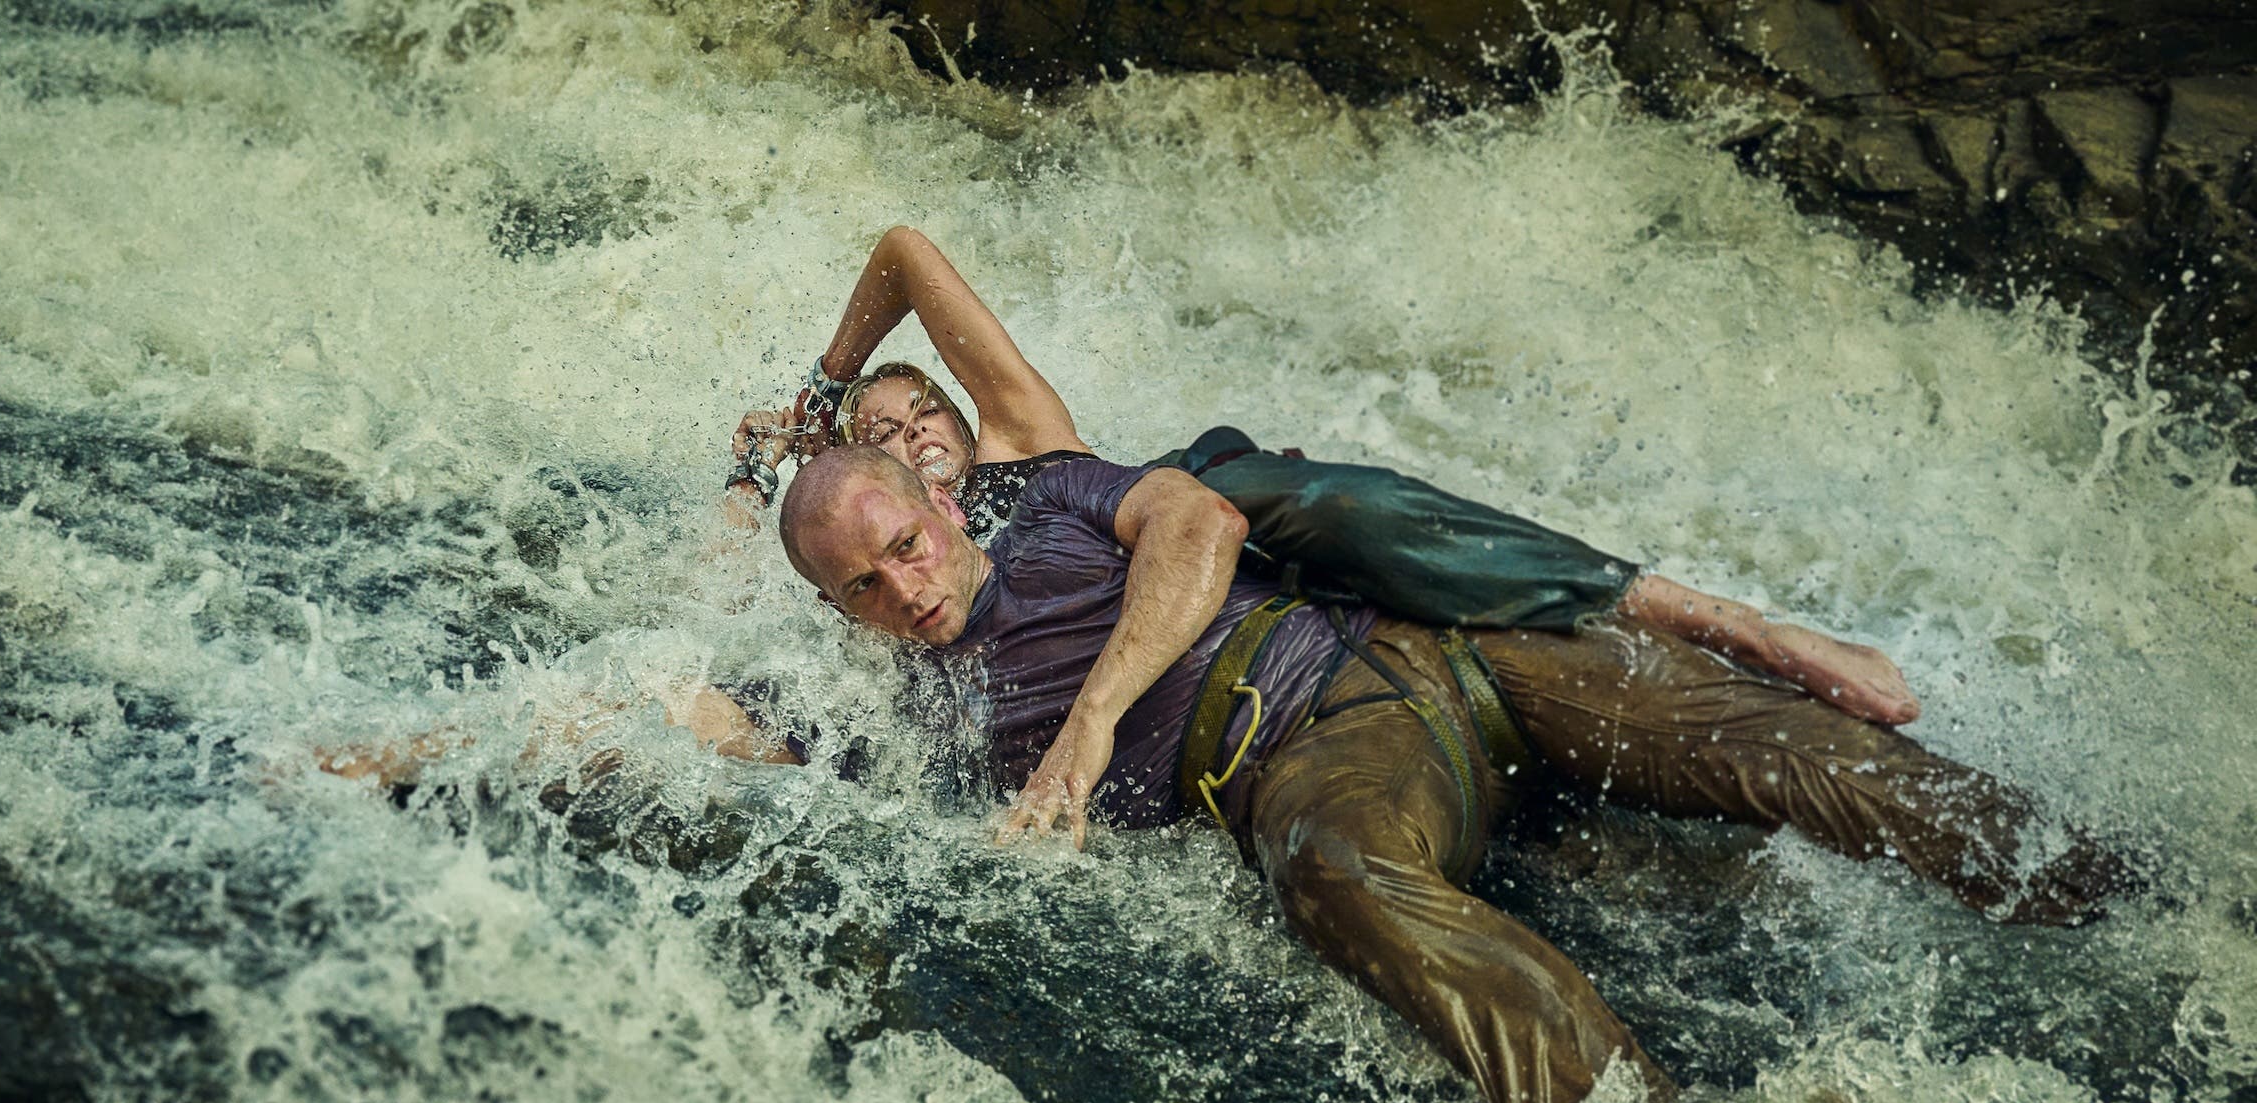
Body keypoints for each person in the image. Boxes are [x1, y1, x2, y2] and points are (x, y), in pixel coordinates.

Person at [772, 442, 2131, 1103]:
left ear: (936, 504)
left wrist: (1089, 726)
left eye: (903, 543)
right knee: (1331, 874)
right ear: (841, 608)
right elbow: (788, 770)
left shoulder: (1054, 498)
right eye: (863, 586)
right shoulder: (927, 727)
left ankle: (2124, 903)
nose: (906, 586)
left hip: (1424, 640)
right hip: (1313, 761)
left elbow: (1203, 523)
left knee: (1799, 750)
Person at [728, 227, 1920, 728]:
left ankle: (1720, 620)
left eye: (916, 413)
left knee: (1316, 500)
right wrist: (752, 477)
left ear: (952, 421)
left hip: (1209, 519)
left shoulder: (1023, 439)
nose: (906, 436)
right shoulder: (884, 592)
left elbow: (903, 250)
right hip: (1197, 686)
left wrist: (826, 383)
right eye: (874, 432)